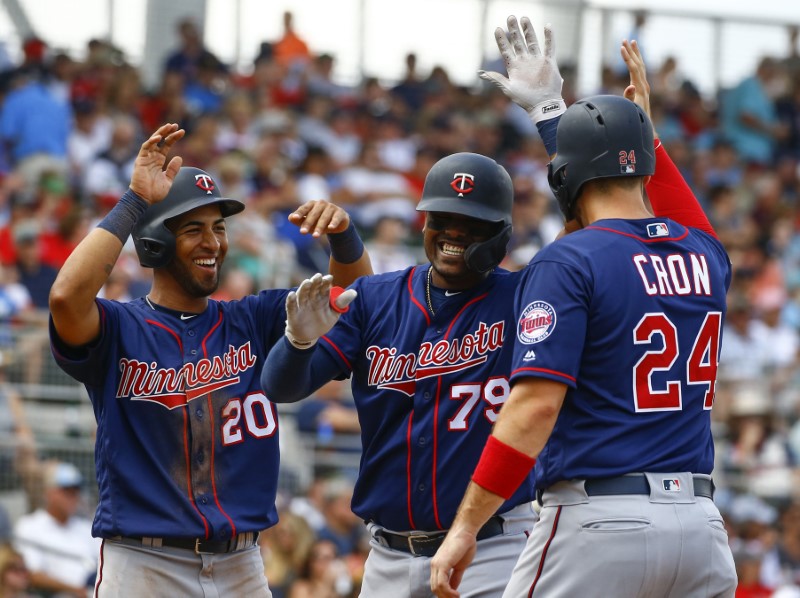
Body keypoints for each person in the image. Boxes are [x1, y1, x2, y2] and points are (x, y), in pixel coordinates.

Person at [429, 17, 738, 597]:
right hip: (700, 529)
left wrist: (466, 527)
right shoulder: (707, 257)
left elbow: (533, 410)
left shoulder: (567, 262)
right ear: (645, 165)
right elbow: (665, 208)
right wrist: (635, 136)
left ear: (565, 177)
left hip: (599, 523)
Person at [47, 122, 371, 596]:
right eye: (194, 229)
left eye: (219, 228)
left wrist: (343, 238)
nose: (213, 242)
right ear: (155, 241)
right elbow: (65, 298)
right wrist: (135, 202)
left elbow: (353, 302)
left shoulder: (255, 317)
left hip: (243, 564)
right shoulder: (119, 327)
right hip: (144, 564)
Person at [12, 461, 98, 598]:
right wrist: (76, 590)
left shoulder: (87, 527)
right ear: (49, 493)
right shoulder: (29, 526)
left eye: (76, 492)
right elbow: (32, 575)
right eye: (66, 492)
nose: (73, 497)